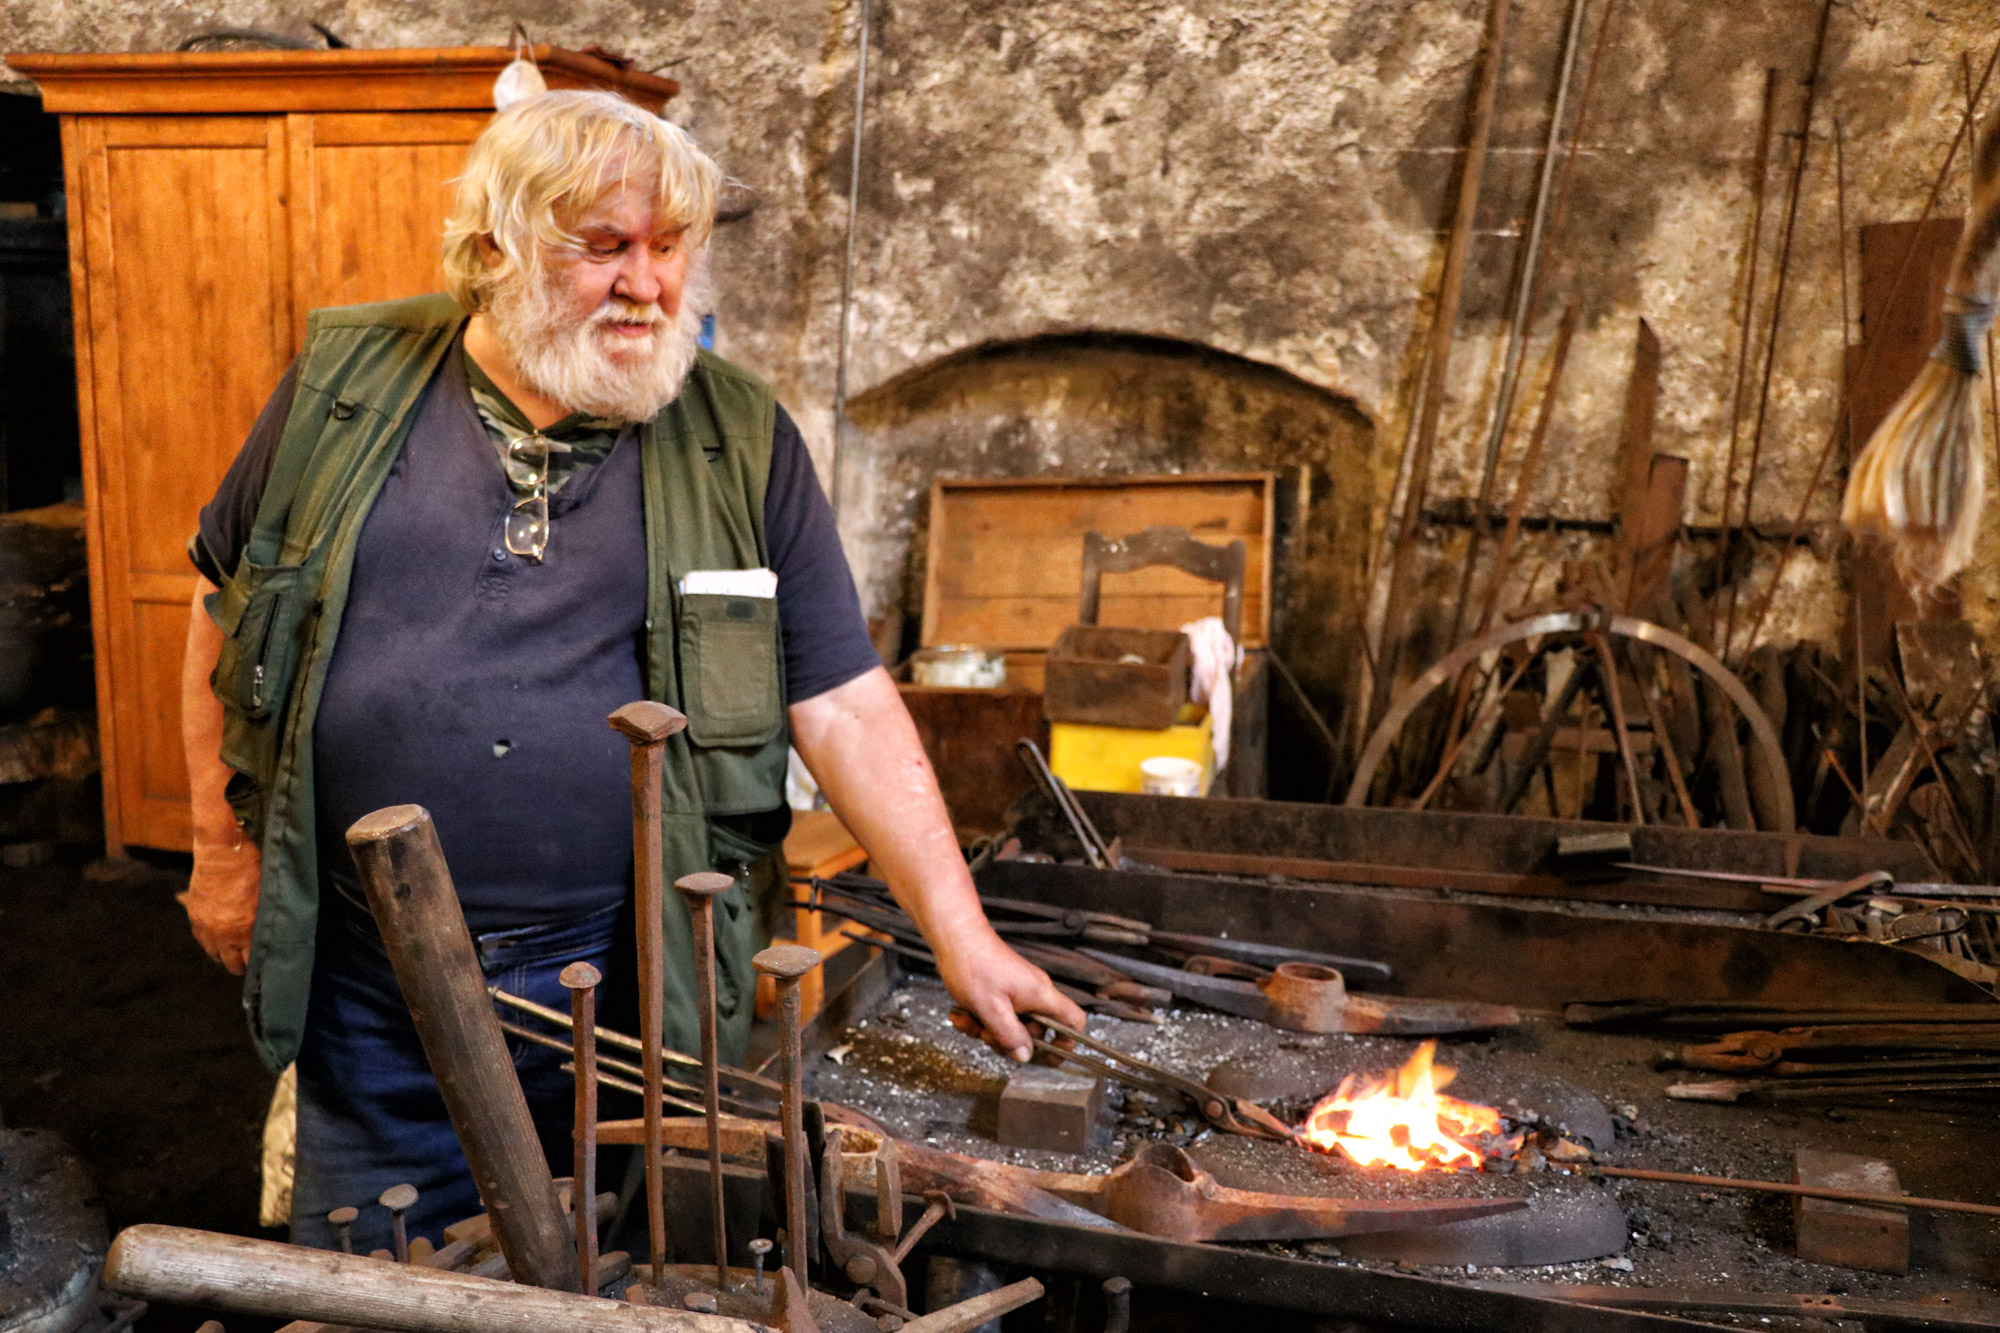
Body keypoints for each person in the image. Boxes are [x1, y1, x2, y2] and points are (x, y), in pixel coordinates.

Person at [178, 88, 1083, 1251]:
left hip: (628, 981)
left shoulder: (735, 433)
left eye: (670, 248)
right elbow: (219, 613)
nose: (649, 285)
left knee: (628, 1268)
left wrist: (959, 932)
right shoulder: (343, 390)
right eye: (603, 247)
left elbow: (845, 701)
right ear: (496, 247)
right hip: (368, 985)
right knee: (376, 1278)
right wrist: (217, 851)